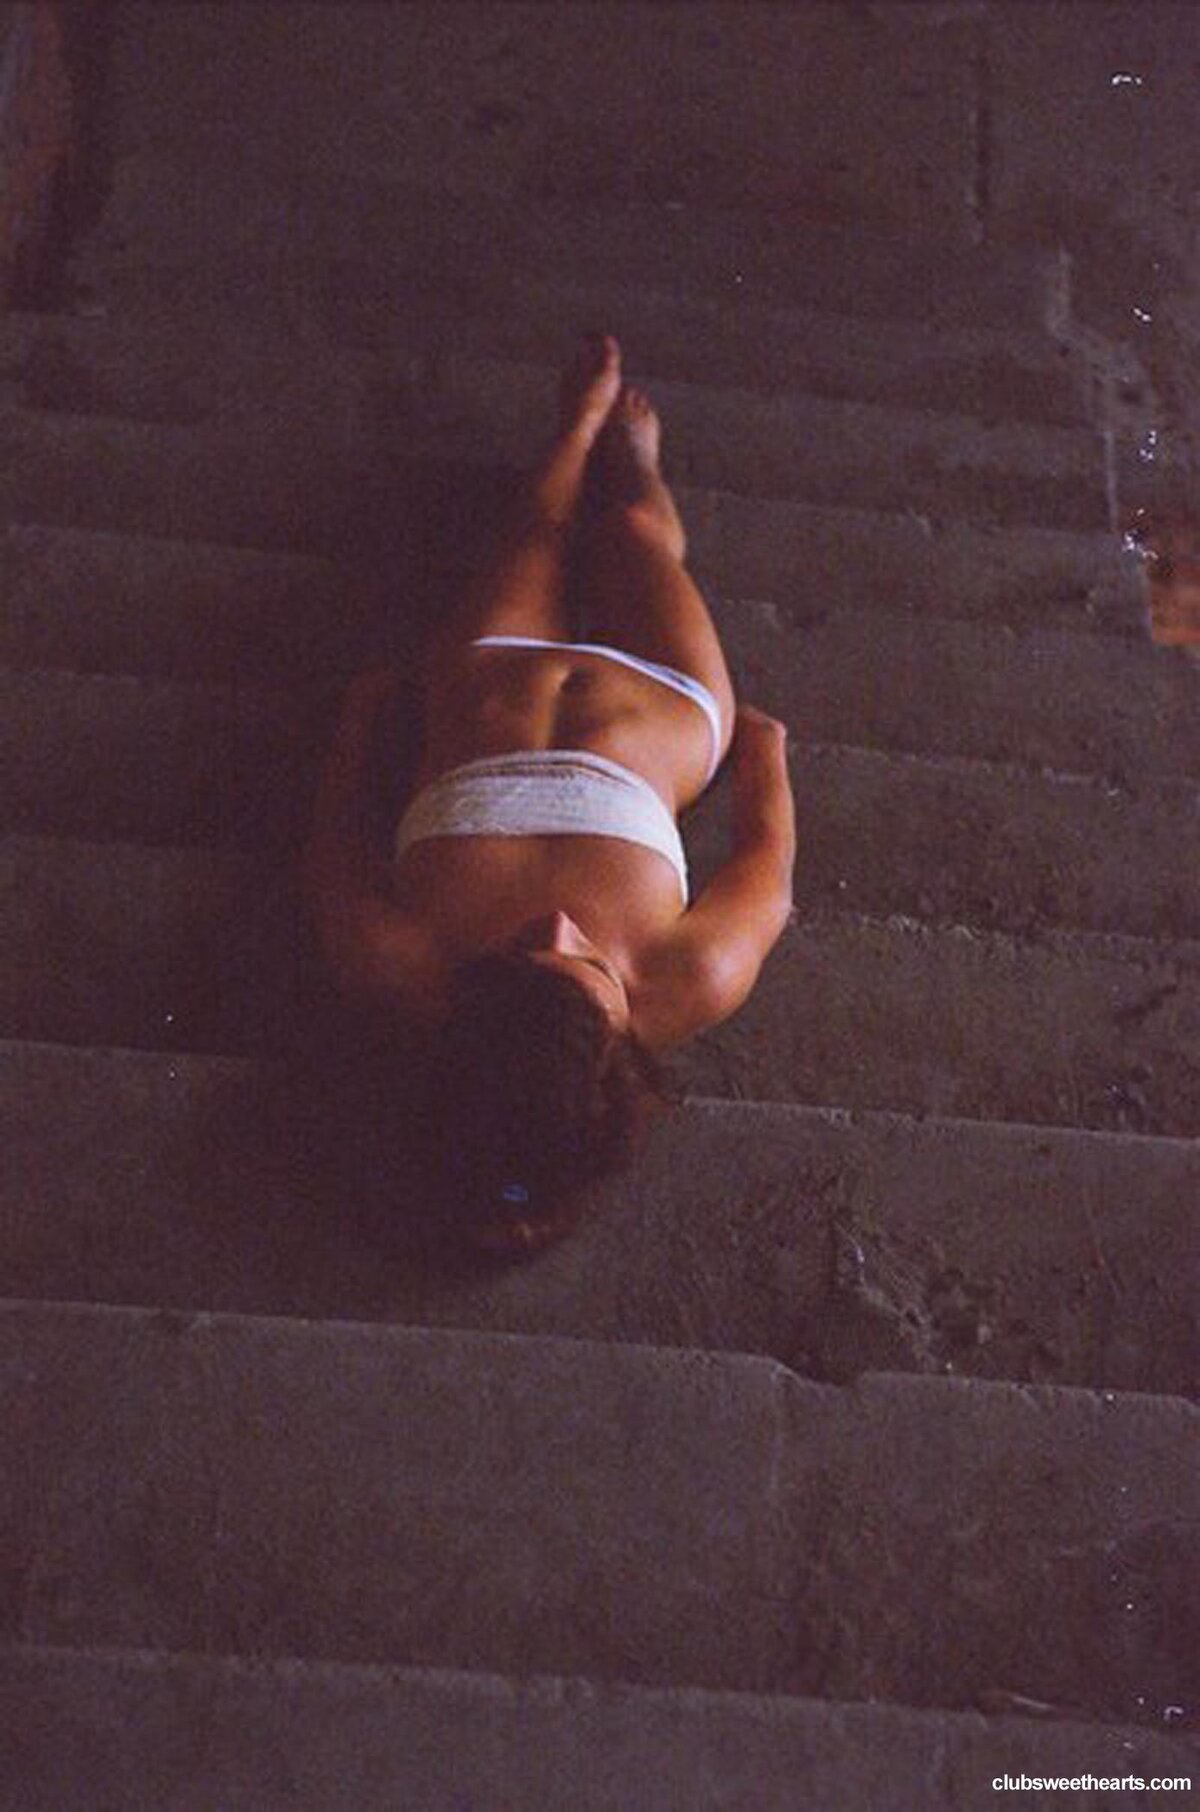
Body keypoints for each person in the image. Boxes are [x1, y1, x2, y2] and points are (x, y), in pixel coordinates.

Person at [305, 333, 795, 1252]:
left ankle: (576, 432)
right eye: (588, 963)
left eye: (520, 950)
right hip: (666, 705)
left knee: (535, 533)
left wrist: (360, 726)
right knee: (637, 535)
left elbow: (338, 838)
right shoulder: (689, 979)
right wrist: (765, 755)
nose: (561, 926)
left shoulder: (389, 962)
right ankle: (638, 466)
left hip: (490, 679)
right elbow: (765, 877)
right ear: (616, 1052)